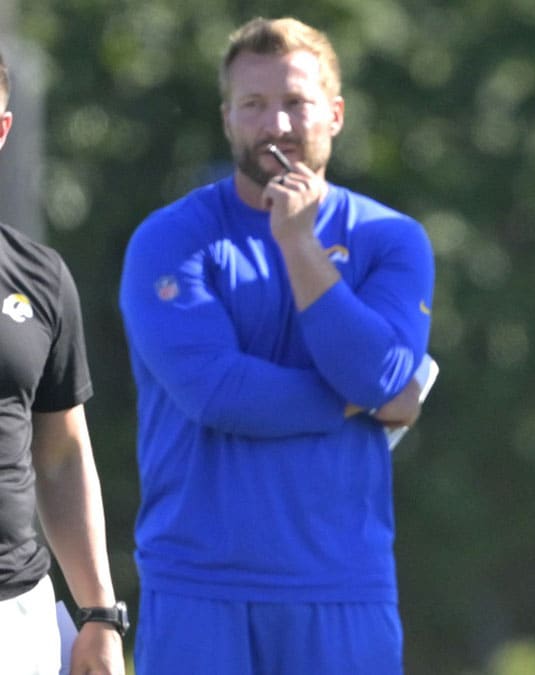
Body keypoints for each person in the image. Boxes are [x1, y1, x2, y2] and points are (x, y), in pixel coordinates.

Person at [117, 17, 434, 674]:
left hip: (344, 586)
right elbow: (218, 394)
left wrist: (298, 243)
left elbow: (380, 375)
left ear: (336, 114)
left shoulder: (392, 238)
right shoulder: (170, 239)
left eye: (296, 103)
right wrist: (359, 402)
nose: (278, 126)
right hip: (199, 585)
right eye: (255, 106)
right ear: (228, 118)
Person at [0, 47, 126, 675]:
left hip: (15, 612)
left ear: (1, 129)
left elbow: (62, 455)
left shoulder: (39, 277)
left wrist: (100, 615)